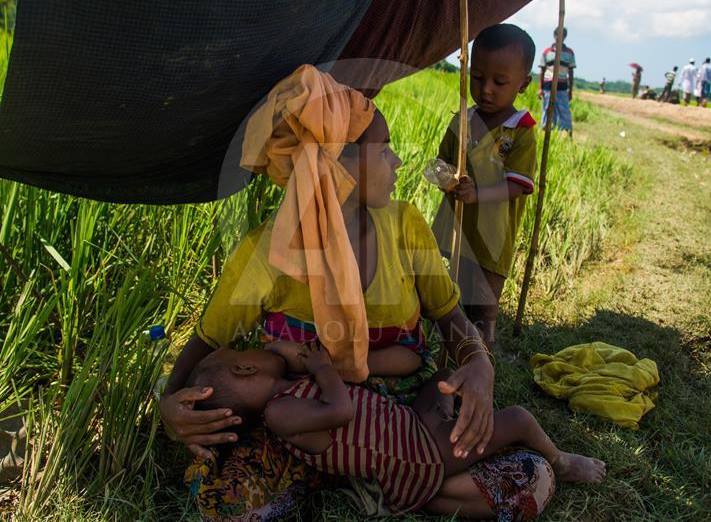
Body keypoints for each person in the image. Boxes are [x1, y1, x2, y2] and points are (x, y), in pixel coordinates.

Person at [160, 64, 555, 520]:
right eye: (384, 150)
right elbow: (207, 341)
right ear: (336, 166)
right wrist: (172, 407)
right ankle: (392, 480)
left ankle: (371, 473)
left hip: (405, 419)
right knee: (224, 501)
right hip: (311, 420)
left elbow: (450, 318)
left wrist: (478, 362)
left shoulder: (405, 226)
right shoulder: (265, 250)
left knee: (532, 476)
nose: (397, 162)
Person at [188, 343, 605, 516]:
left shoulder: (290, 390)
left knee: (439, 375)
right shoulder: (279, 414)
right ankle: (561, 461)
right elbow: (341, 409)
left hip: (412, 427)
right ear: (245, 367)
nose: (260, 346)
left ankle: (459, 431)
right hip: (419, 457)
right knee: (518, 418)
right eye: (249, 349)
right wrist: (322, 366)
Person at [432, 24, 538, 349]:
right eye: (477, 77)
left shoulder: (520, 131)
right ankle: (451, 356)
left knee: (485, 305)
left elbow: (517, 186)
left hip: (493, 236)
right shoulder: (461, 121)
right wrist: (446, 180)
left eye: (499, 82)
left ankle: (482, 362)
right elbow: (439, 165)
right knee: (454, 300)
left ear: (523, 84)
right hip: (459, 229)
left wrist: (477, 195)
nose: (486, 89)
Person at [538, 27, 577, 134]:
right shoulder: (547, 52)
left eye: (562, 35)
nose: (559, 37)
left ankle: (566, 131)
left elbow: (571, 72)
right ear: (554, 35)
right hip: (548, 85)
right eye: (557, 35)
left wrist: (570, 90)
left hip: (562, 86)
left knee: (564, 109)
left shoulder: (569, 53)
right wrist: (540, 88)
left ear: (564, 37)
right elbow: (542, 70)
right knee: (547, 108)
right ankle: (546, 129)